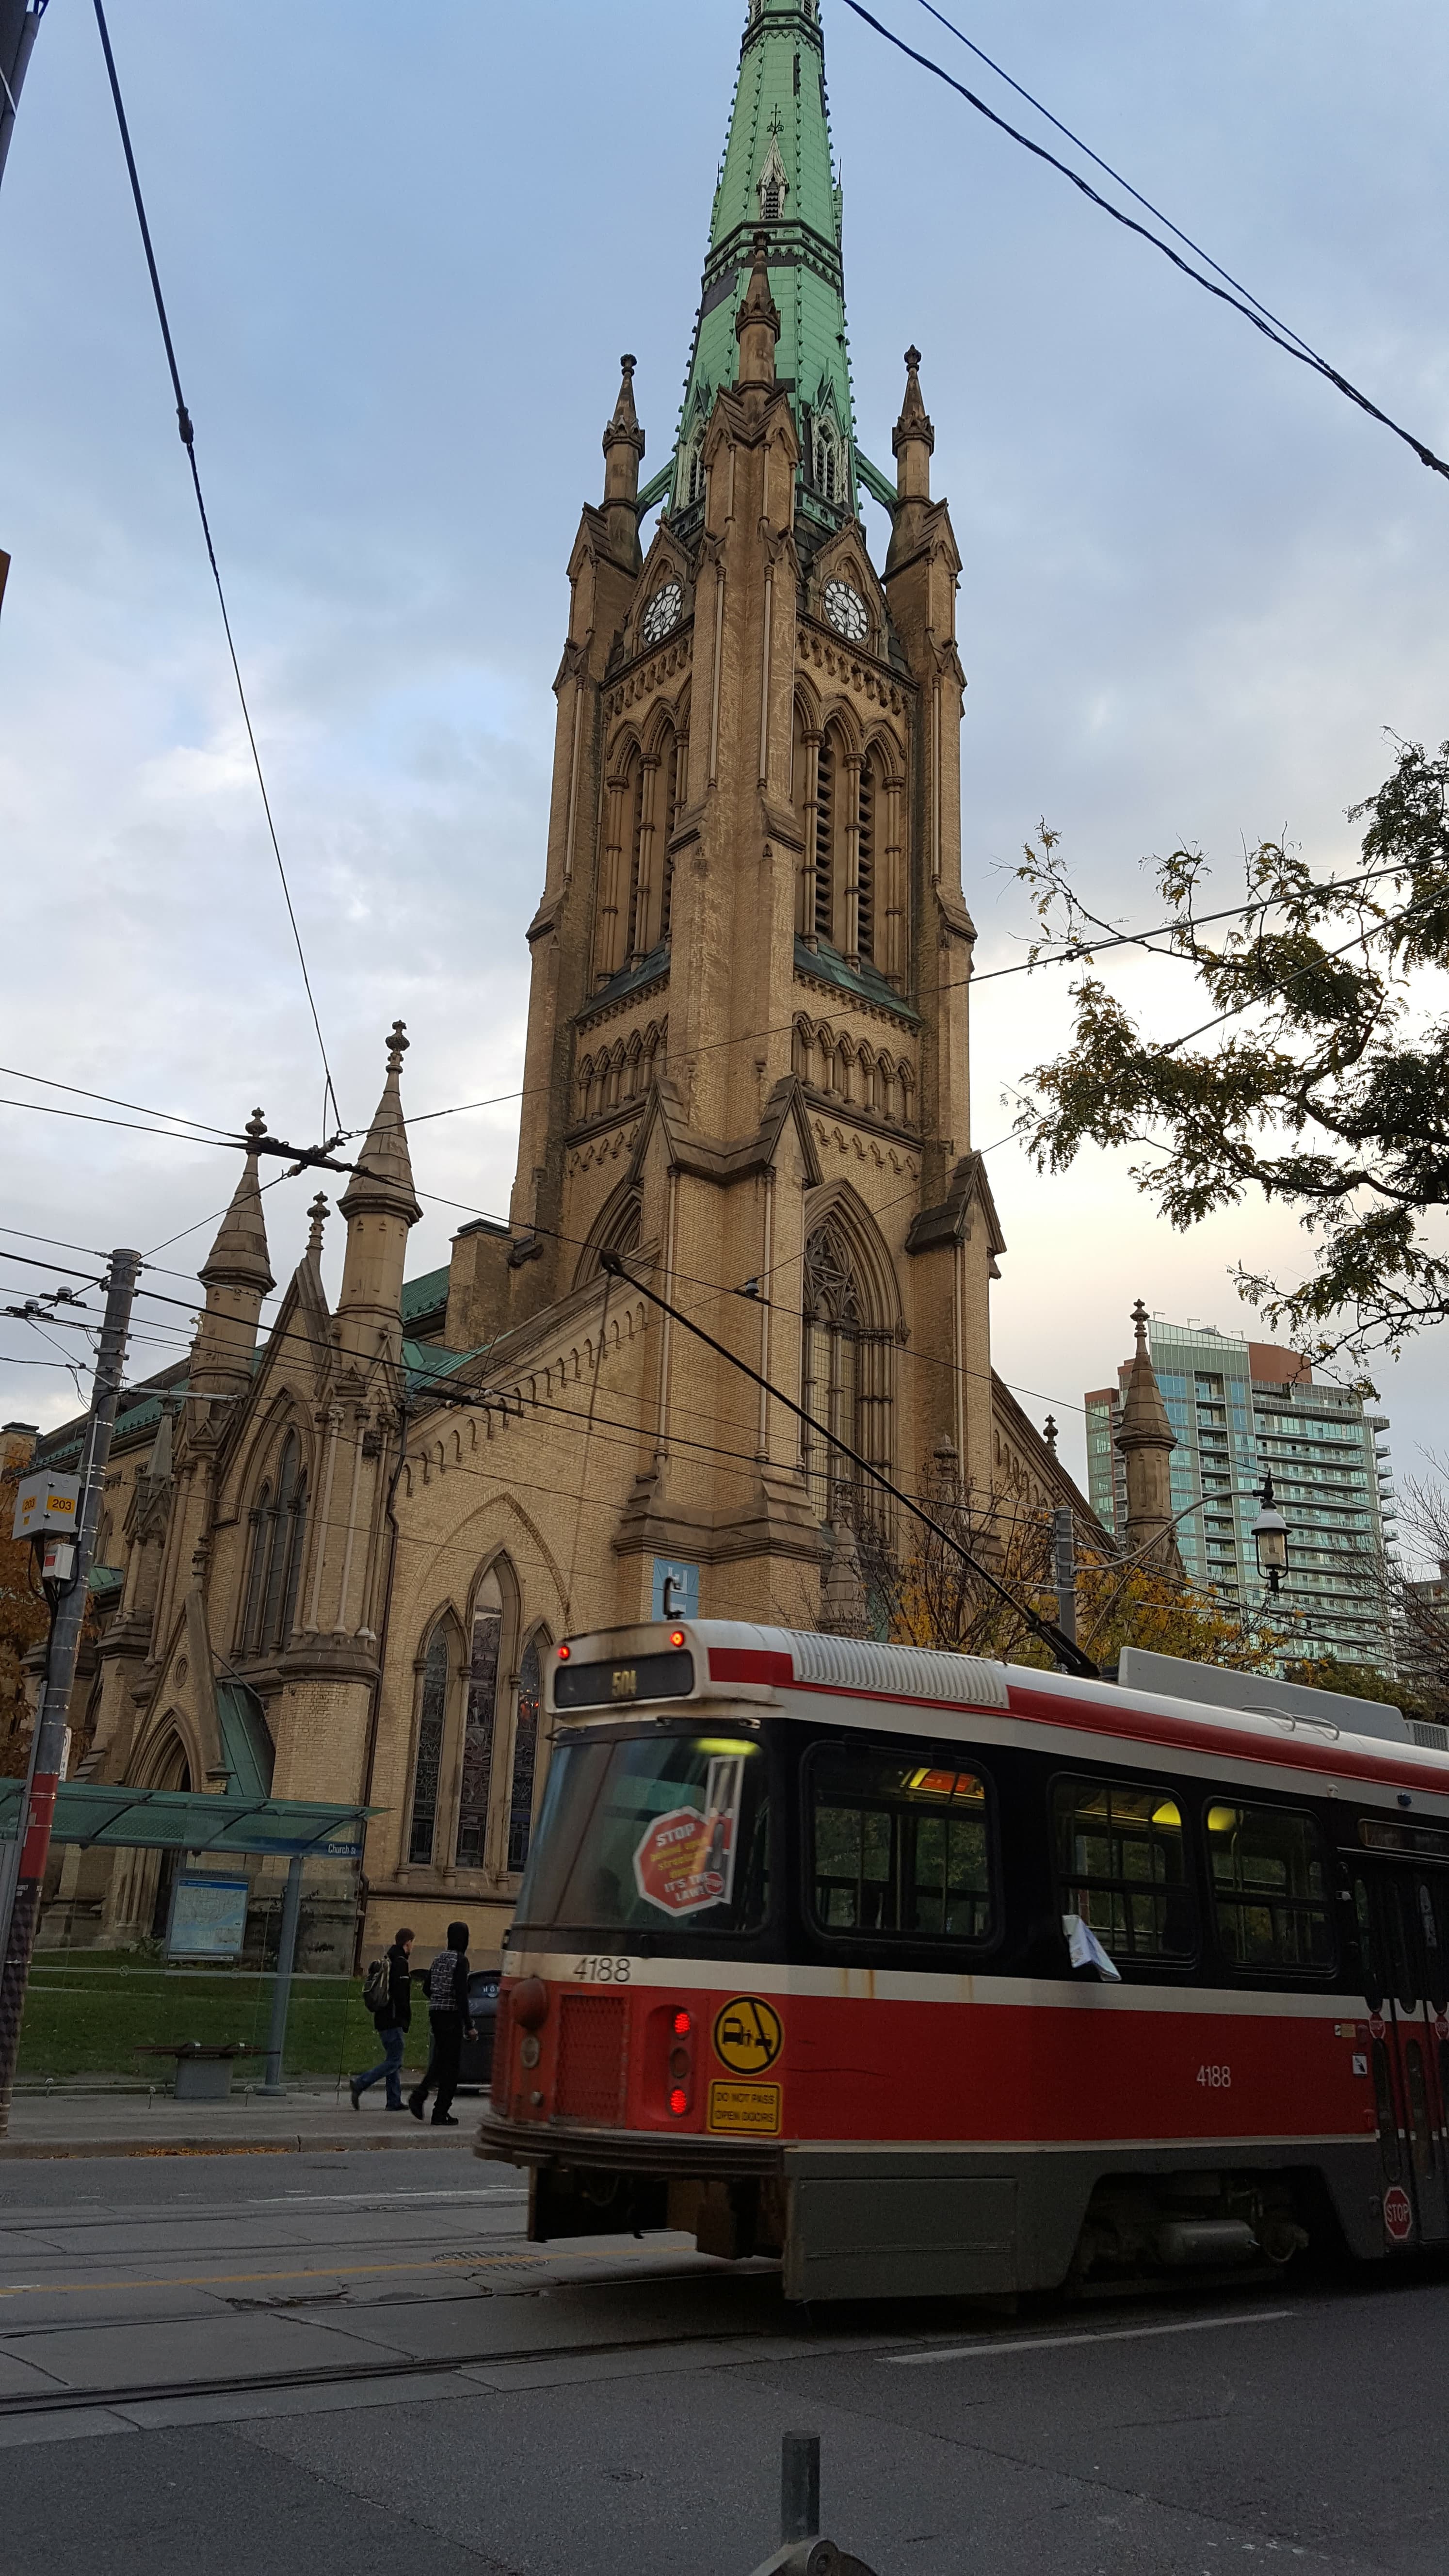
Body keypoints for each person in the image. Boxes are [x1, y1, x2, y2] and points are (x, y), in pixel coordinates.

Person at [408, 1919, 477, 2126]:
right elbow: (461, 1994)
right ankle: (438, 2109)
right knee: (452, 2066)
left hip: (436, 2013)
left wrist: (439, 1995)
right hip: (451, 2015)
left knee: (441, 2059)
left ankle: (423, 2098)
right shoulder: (461, 1960)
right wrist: (469, 2024)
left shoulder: (438, 1959)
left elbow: (427, 1989)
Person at [350, 1928, 414, 2112]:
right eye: (412, 1943)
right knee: (394, 2061)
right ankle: (361, 2083)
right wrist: (406, 2019)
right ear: (407, 1943)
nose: (413, 1947)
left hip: (382, 2018)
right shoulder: (400, 1963)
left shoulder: (389, 1960)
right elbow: (402, 1996)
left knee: (392, 2059)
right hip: (393, 2019)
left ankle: (393, 2100)